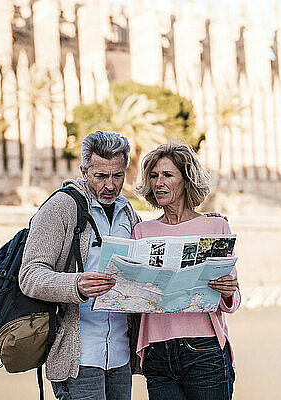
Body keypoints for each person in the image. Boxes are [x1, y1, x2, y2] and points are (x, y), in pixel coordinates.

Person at [19, 131, 141, 400]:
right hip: (78, 361)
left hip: (120, 359)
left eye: (118, 175)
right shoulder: (60, 207)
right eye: (101, 177)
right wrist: (76, 284)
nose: (110, 185)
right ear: (84, 171)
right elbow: (29, 275)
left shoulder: (129, 212)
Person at [134, 142, 241, 400]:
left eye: (167, 175)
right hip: (157, 353)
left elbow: (233, 301)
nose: (158, 182)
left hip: (205, 351)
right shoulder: (141, 232)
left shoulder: (215, 227)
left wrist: (227, 291)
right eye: (153, 175)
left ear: (187, 181)